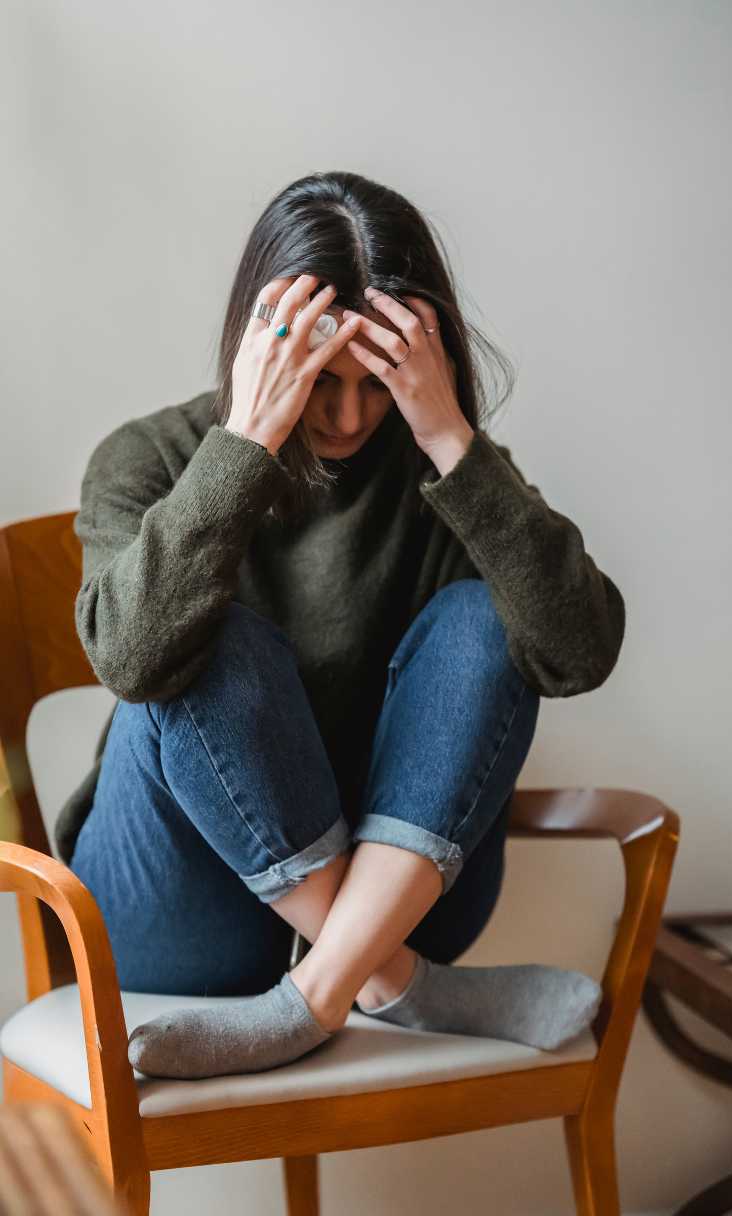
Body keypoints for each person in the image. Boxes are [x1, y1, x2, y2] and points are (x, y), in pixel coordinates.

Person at [61, 170, 626, 1081]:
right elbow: (132, 658)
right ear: (261, 344)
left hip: (402, 882)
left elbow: (579, 652)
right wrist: (243, 446)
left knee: (489, 618)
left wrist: (451, 439)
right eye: (325, 379)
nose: (352, 414)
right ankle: (393, 980)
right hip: (178, 903)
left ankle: (321, 989)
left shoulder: (445, 471)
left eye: (379, 381)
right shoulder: (148, 458)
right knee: (208, 645)